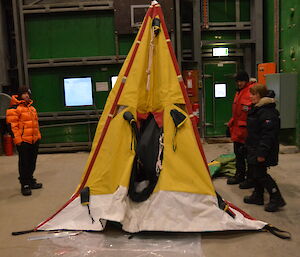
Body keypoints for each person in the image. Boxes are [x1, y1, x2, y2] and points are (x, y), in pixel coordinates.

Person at [243, 84, 286, 212]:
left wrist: (262, 152)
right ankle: (258, 195)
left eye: (254, 94)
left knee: (261, 174)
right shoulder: (257, 109)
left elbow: (268, 135)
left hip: (263, 149)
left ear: (261, 95)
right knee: (256, 173)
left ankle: (276, 198)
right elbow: (254, 132)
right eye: (250, 94)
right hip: (254, 148)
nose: (251, 96)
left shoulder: (267, 112)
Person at [6, 87, 42, 196]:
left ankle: (30, 180)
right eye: (24, 94)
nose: (27, 95)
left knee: (32, 162)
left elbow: (35, 125)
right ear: (19, 95)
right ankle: (25, 184)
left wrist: (38, 137)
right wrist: (18, 140)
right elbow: (12, 127)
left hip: (34, 140)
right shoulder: (13, 109)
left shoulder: (32, 108)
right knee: (24, 163)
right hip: (23, 141)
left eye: (28, 93)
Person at [227, 71, 255, 189]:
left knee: (249, 158)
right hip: (238, 131)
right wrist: (230, 125)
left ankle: (250, 179)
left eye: (241, 81)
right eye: (237, 81)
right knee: (238, 155)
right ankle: (240, 175)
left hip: (247, 132)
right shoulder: (239, 92)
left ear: (246, 81)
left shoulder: (252, 92)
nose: (239, 83)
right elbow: (237, 114)